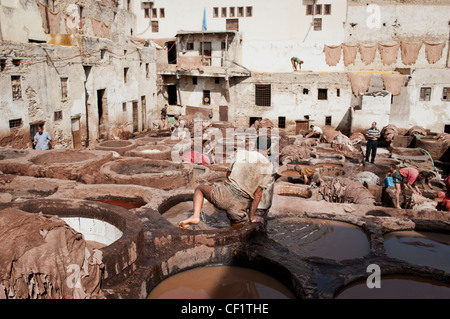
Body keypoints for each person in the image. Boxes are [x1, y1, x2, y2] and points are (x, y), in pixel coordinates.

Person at [178, 135, 274, 229]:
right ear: (268, 149)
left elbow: (228, 174)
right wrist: (251, 217)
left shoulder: (242, 153)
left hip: (223, 195)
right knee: (236, 231)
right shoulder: (268, 166)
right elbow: (258, 194)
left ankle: (195, 216)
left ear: (254, 145)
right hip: (240, 205)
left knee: (200, 189)